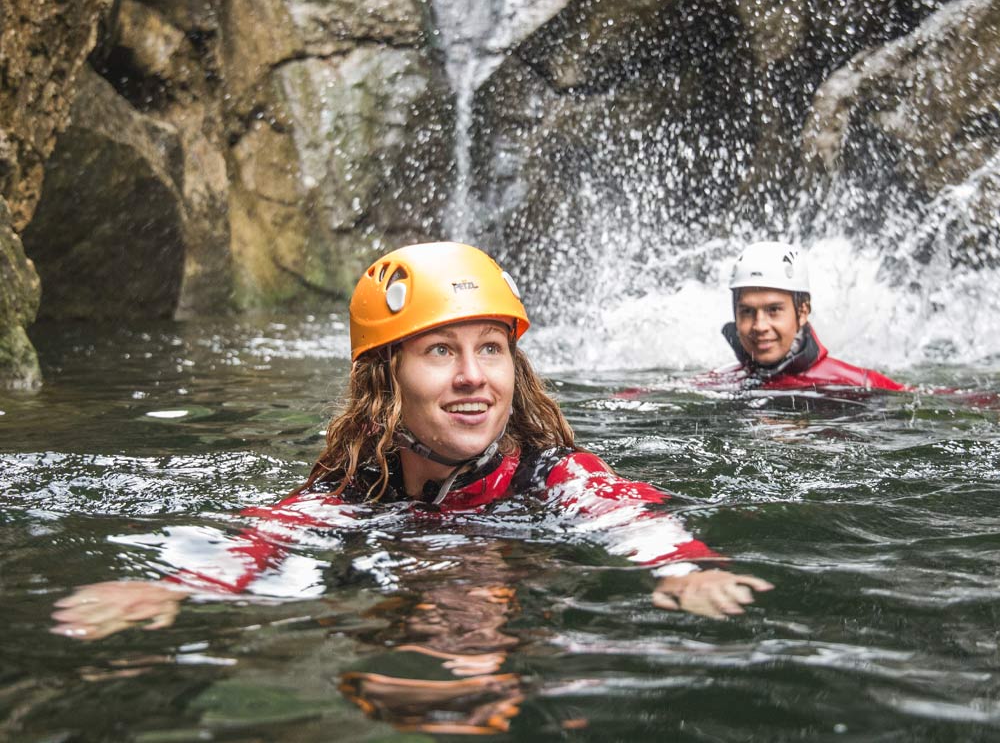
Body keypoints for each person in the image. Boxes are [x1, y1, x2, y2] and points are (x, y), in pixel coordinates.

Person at [52, 242, 772, 644]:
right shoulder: (357, 484)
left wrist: (683, 568)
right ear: (384, 377)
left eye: (491, 349)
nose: (473, 378)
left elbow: (629, 514)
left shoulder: (553, 474)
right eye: (438, 351)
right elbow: (269, 535)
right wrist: (178, 585)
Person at [707, 240, 906, 391]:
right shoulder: (716, 383)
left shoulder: (862, 385)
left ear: (802, 312)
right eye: (747, 312)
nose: (760, 326)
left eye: (774, 310)